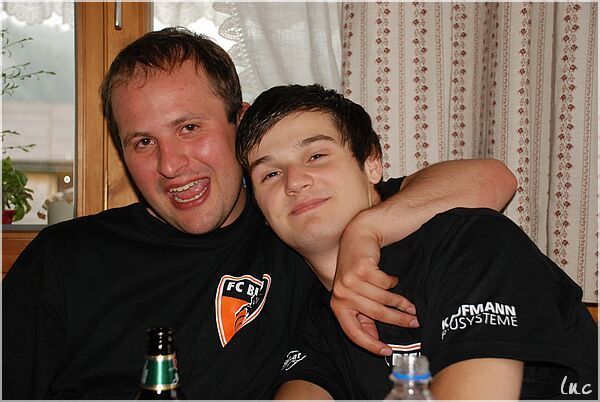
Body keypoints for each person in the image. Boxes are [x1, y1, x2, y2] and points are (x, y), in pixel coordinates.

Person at [2, 28, 517, 399]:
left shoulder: (296, 224)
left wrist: (367, 229)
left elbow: (491, 179)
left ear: (241, 124)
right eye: (142, 141)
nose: (170, 164)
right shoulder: (62, 260)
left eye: (189, 128)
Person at [235, 83, 598, 400]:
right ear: (260, 209)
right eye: (271, 173)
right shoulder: (311, 310)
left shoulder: (468, 241)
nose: (294, 181)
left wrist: (365, 229)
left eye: (316, 156)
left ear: (371, 164)